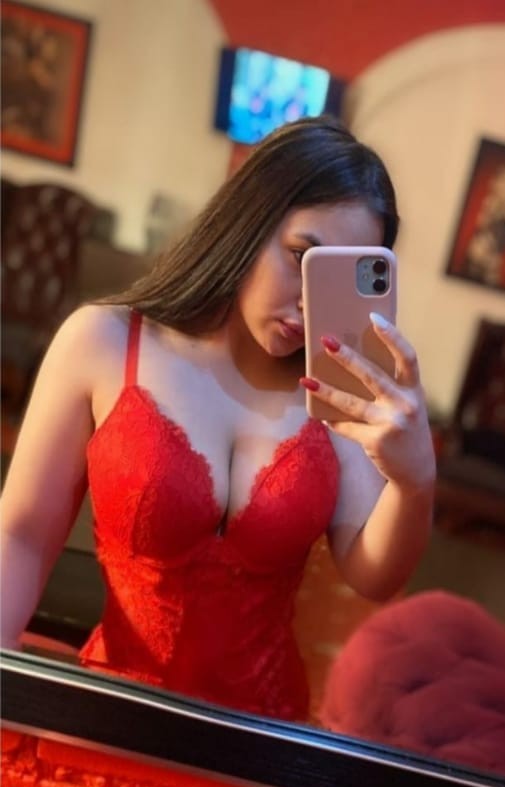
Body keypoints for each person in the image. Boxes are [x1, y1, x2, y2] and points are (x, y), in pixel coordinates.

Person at [0, 116, 437, 721]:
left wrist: (415, 482)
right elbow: (22, 534)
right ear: (247, 222)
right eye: (301, 257)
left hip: (261, 739)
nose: (309, 300)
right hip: (112, 715)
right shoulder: (104, 342)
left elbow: (372, 576)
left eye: (335, 278)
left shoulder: (339, 396)